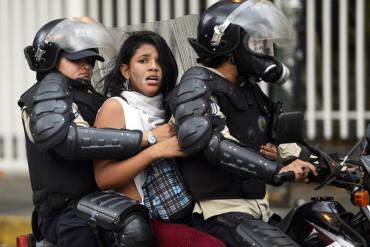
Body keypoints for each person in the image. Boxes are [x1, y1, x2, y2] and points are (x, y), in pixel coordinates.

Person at [169, 0, 318, 246]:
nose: (264, 49)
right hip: (219, 215)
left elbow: (279, 141)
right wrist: (275, 170)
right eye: (255, 42)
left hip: (259, 213)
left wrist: (332, 165)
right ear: (228, 46)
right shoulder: (196, 85)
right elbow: (212, 142)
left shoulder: (249, 90)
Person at [18, 17, 153, 247]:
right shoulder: (45, 96)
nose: (87, 65)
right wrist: (146, 139)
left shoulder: (89, 97)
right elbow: (69, 139)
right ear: (51, 57)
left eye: (90, 60)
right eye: (77, 58)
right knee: (131, 229)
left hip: (97, 200)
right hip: (64, 213)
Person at [94, 30, 226, 247]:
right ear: (126, 70)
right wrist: (155, 150)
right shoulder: (116, 108)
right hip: (142, 220)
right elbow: (104, 178)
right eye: (143, 60)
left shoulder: (172, 108)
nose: (153, 66)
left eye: (159, 62)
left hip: (187, 209)